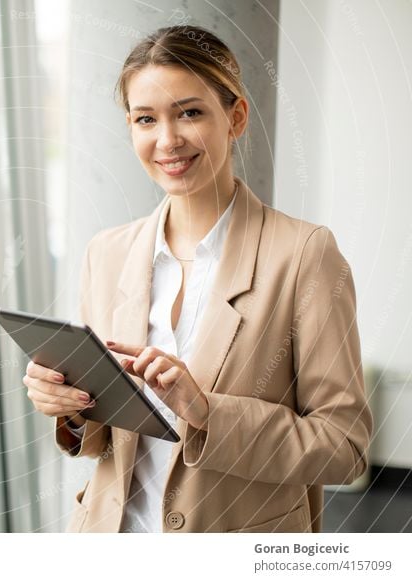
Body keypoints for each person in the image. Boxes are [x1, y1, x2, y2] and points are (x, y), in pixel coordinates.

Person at [23, 25, 372, 533]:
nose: (167, 140)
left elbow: (345, 447)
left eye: (190, 112)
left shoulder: (303, 255)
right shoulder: (108, 253)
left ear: (235, 117)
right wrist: (71, 410)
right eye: (146, 119)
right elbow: (103, 440)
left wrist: (206, 411)